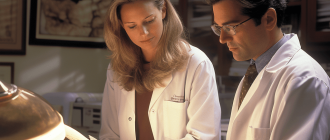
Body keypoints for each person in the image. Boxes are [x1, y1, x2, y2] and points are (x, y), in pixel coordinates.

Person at [205, 0, 330, 139]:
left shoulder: (303, 79)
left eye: (230, 27)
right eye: (219, 28)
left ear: (269, 19)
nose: (222, 38)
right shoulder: (255, 72)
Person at [99, 0, 221, 139]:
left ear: (163, 10)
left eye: (149, 21)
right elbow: (109, 134)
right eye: (132, 26)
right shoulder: (117, 68)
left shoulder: (196, 64)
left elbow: (203, 136)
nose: (143, 32)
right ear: (122, 26)